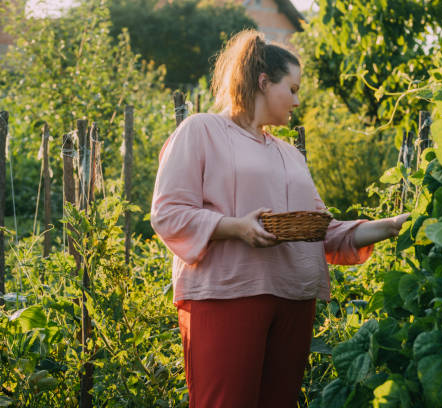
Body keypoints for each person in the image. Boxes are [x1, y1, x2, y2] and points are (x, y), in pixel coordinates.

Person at [150, 29, 410, 408]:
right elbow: (169, 213)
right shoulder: (201, 130)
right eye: (292, 89)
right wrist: (236, 227)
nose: (297, 100)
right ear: (263, 82)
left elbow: (322, 230)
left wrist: (391, 226)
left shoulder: (290, 155)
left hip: (294, 298)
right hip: (229, 295)